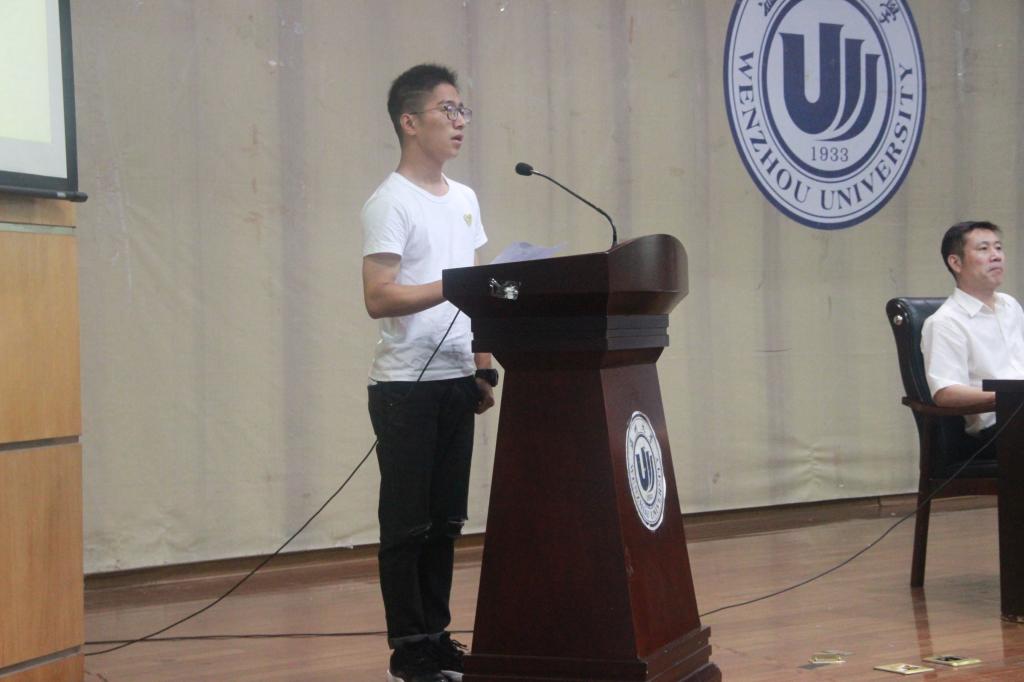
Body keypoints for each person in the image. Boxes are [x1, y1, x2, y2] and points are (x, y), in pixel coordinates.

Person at [361, 64, 496, 682]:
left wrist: (484, 364)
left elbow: (479, 289)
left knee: (446, 522)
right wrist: (452, 285)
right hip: (405, 387)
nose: (460, 121)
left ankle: (437, 639)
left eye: (463, 110)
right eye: (448, 110)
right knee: (407, 525)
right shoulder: (390, 201)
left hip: (456, 379)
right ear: (410, 122)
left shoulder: (465, 199)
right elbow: (378, 296)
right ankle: (409, 651)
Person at [922, 220, 1024, 441]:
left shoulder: (1010, 306)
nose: (996, 256)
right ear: (956, 263)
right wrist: (1009, 396)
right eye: (984, 249)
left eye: (998, 247)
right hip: (999, 428)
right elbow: (946, 392)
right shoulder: (945, 322)